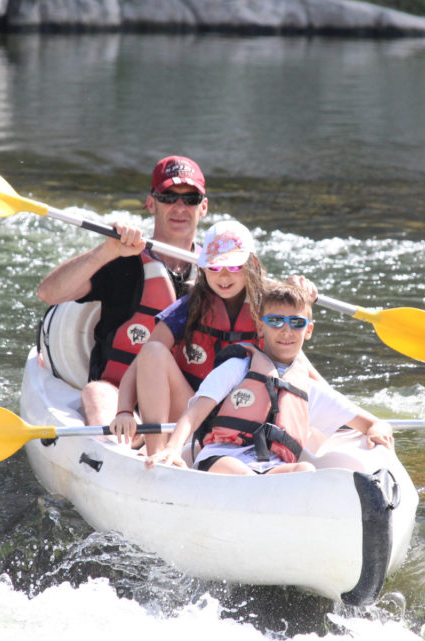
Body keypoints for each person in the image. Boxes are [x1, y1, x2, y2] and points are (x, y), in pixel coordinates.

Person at [148, 281, 395, 474]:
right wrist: (172, 449)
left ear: (308, 330)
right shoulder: (236, 368)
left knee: (306, 470)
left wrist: (376, 430)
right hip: (222, 458)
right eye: (276, 321)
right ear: (260, 326)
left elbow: (373, 423)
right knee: (240, 473)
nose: (286, 330)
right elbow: (193, 416)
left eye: (296, 322)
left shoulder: (308, 389)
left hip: (271, 467)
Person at [37, 155, 208, 426]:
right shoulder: (123, 261)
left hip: (181, 406)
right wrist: (105, 251)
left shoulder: (218, 273)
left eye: (190, 199)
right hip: (118, 397)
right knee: (95, 392)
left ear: (204, 207)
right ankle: (120, 449)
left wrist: (298, 291)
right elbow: (49, 293)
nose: (179, 207)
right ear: (151, 203)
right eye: (168, 197)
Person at [110, 219, 264, 456]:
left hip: (241, 418)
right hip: (188, 417)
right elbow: (141, 362)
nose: (223, 276)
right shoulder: (189, 307)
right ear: (202, 268)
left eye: (233, 267)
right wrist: (124, 411)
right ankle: (157, 453)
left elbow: (300, 367)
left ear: (252, 264)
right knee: (152, 351)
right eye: (213, 267)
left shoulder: (268, 311)